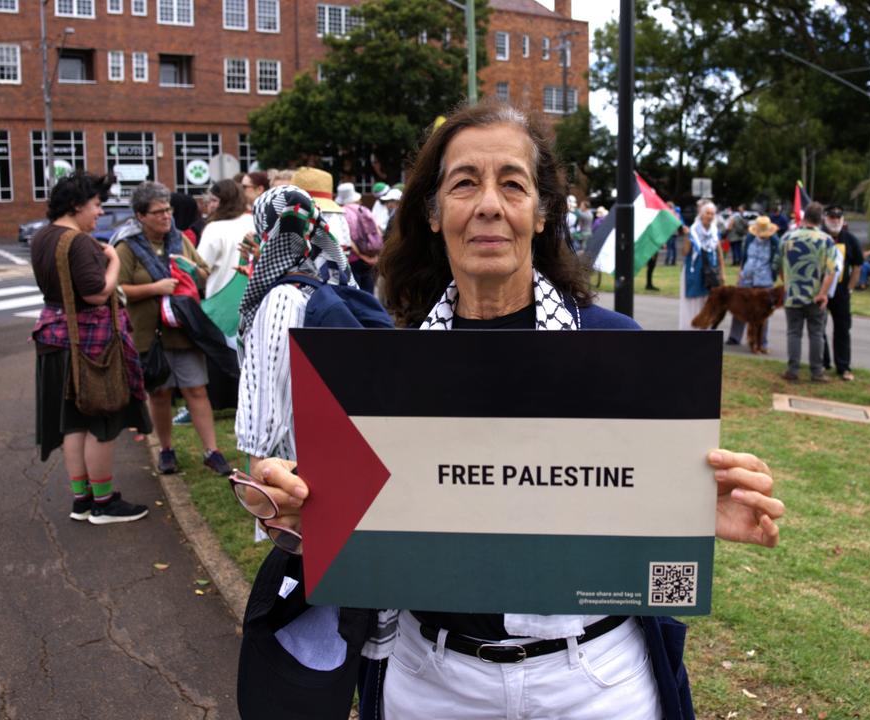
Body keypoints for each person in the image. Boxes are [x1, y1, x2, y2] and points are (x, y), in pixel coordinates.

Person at [239, 101, 784, 720]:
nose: (489, 205)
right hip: (430, 683)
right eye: (464, 183)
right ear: (434, 210)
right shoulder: (383, 370)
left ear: (543, 211)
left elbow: (639, 516)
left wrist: (687, 503)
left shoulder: (618, 348)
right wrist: (299, 511)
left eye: (513, 184)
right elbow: (356, 533)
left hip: (595, 683)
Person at [30, 172, 150, 524]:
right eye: (96, 205)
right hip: (90, 345)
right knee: (102, 420)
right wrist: (113, 262)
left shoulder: (42, 237)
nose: (99, 212)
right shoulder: (79, 242)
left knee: (74, 424)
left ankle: (81, 499)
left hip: (54, 338)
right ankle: (104, 501)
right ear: (76, 205)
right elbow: (97, 292)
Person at [115, 181, 232, 476]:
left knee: (196, 389)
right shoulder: (127, 246)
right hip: (149, 334)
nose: (166, 216)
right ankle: (166, 450)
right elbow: (116, 289)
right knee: (161, 394)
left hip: (185, 330)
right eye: (158, 212)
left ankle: (212, 451)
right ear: (140, 216)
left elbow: (204, 273)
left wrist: (192, 271)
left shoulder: (180, 240)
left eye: (168, 210)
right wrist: (155, 287)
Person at [775, 202, 834, 382]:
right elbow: (830, 271)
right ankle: (817, 372)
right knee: (816, 333)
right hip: (815, 295)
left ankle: (793, 370)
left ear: (804, 216)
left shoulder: (787, 238)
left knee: (794, 332)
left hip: (793, 294)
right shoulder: (826, 240)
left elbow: (778, 266)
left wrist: (788, 284)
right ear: (820, 218)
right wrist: (823, 293)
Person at [820, 205, 864, 381]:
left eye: (838, 218)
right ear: (825, 219)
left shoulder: (850, 239)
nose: (835, 221)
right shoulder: (820, 238)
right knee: (818, 328)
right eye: (832, 218)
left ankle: (843, 366)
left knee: (843, 329)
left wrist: (850, 288)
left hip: (841, 292)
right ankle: (822, 363)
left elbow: (857, 266)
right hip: (821, 291)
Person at [729, 215, 781, 347]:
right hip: (747, 277)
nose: (763, 235)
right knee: (740, 306)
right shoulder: (749, 238)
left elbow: (778, 262)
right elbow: (744, 258)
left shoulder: (775, 241)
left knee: (762, 311)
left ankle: (761, 341)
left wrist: (776, 276)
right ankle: (735, 337)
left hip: (764, 280)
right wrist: (740, 275)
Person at [196, 179, 252, 300]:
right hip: (251, 298)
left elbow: (202, 268)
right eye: (209, 200)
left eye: (214, 200)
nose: (210, 205)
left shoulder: (214, 229)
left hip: (220, 298)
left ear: (228, 202)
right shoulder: (253, 221)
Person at [679, 200, 727, 329]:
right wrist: (687, 237)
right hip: (694, 270)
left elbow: (719, 253)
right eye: (707, 213)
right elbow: (685, 252)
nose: (710, 216)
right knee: (693, 301)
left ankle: (703, 329)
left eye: (712, 214)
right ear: (701, 214)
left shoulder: (715, 232)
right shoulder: (692, 231)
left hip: (710, 272)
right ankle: (690, 330)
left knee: (707, 301)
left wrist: (722, 272)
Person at [336, 181, 384, 293]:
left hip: (353, 259)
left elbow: (347, 239)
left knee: (356, 293)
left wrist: (361, 255)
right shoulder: (364, 209)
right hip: (370, 255)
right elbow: (377, 231)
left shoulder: (341, 212)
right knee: (369, 292)